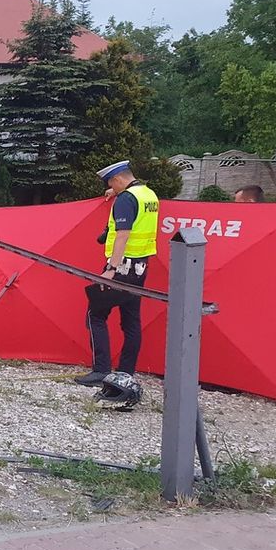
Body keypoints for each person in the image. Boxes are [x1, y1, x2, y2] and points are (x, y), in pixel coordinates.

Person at [74, 161, 159, 388]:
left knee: (96, 315)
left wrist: (111, 269)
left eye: (111, 182)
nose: (110, 187)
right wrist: (116, 192)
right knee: (131, 321)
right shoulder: (148, 194)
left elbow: (122, 234)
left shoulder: (126, 199)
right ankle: (125, 372)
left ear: (118, 179)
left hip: (121, 267)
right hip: (141, 266)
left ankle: (101, 370)